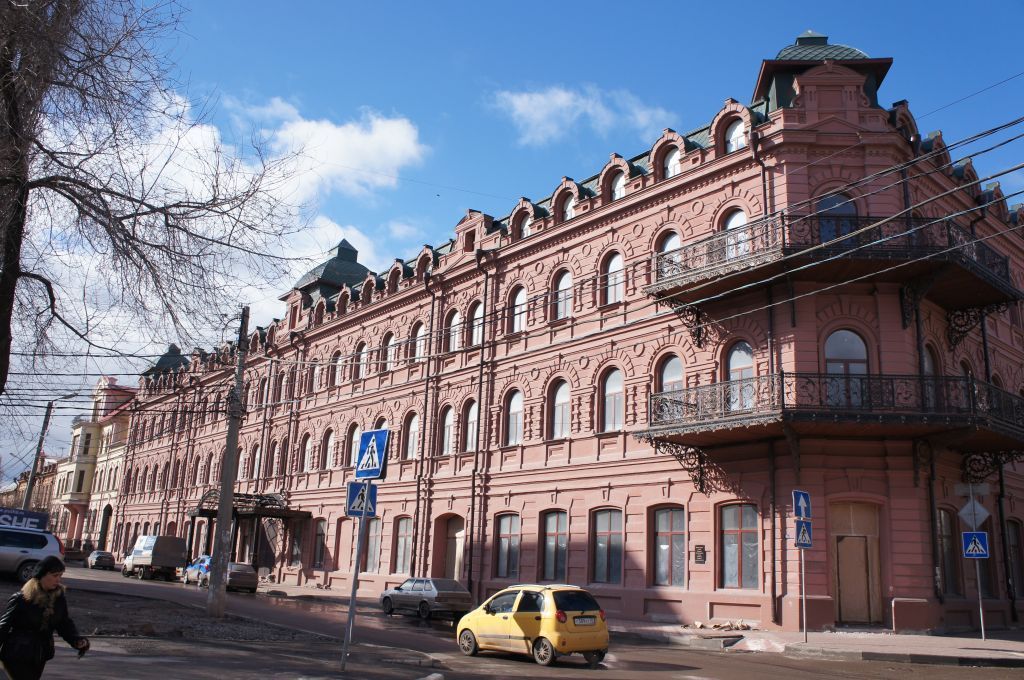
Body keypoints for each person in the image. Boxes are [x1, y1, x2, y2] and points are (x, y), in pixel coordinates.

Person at [0, 556, 89, 679]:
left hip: (40, 654)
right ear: (41, 575)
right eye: (55, 575)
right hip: (17, 653)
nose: (58, 579)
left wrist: (76, 640)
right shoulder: (22, 598)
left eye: (60, 575)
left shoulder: (58, 599)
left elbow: (64, 623)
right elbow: (4, 625)